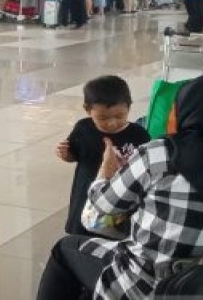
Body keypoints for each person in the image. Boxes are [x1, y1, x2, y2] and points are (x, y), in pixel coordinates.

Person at [35, 72, 203, 300]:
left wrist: (105, 172)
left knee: (65, 249)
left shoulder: (161, 154)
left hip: (151, 288)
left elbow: (97, 214)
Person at [55, 76, 150, 236]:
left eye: (119, 116)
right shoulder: (83, 128)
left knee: (115, 232)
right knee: (84, 230)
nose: (112, 123)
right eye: (103, 118)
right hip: (86, 192)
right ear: (87, 109)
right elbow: (74, 155)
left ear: (129, 107)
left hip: (121, 195)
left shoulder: (139, 135)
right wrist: (65, 154)